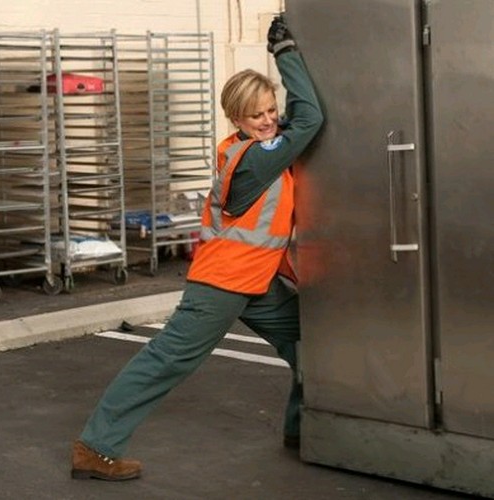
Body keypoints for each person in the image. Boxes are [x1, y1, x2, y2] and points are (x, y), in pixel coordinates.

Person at [71, 14, 324, 481]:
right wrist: (285, 52)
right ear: (236, 119)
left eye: (271, 110)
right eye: (257, 115)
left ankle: (300, 428)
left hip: (258, 282)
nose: (269, 120)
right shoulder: (257, 160)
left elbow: (293, 122)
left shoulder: (259, 145)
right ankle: (95, 447)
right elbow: (310, 118)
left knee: (314, 344)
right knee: (165, 360)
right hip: (223, 284)